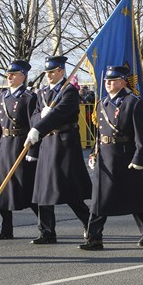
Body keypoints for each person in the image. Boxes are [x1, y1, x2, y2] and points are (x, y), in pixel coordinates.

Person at [84, 66, 143, 250]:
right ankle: (94, 238)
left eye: (113, 80)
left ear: (123, 82)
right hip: (105, 156)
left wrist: (139, 158)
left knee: (134, 197)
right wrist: (94, 152)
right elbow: (100, 134)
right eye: (107, 81)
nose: (109, 84)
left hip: (125, 156)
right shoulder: (102, 103)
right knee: (100, 198)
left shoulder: (133, 102)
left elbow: (141, 134)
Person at [24, 56, 92, 243]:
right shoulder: (43, 92)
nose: (49, 75)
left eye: (52, 72)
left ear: (61, 71)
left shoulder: (69, 91)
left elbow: (62, 113)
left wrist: (42, 124)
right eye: (47, 72)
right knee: (43, 188)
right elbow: (35, 115)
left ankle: (89, 223)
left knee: (69, 188)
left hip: (64, 143)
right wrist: (39, 122)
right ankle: (46, 231)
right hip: (47, 142)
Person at [0, 60, 39, 241]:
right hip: (6, 146)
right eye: (8, 74)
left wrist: (33, 151)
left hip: (21, 145)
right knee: (2, 188)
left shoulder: (29, 98)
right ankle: (4, 229)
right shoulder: (2, 96)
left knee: (27, 187)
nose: (9, 77)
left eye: (13, 74)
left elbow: (34, 126)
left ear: (22, 76)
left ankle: (46, 228)